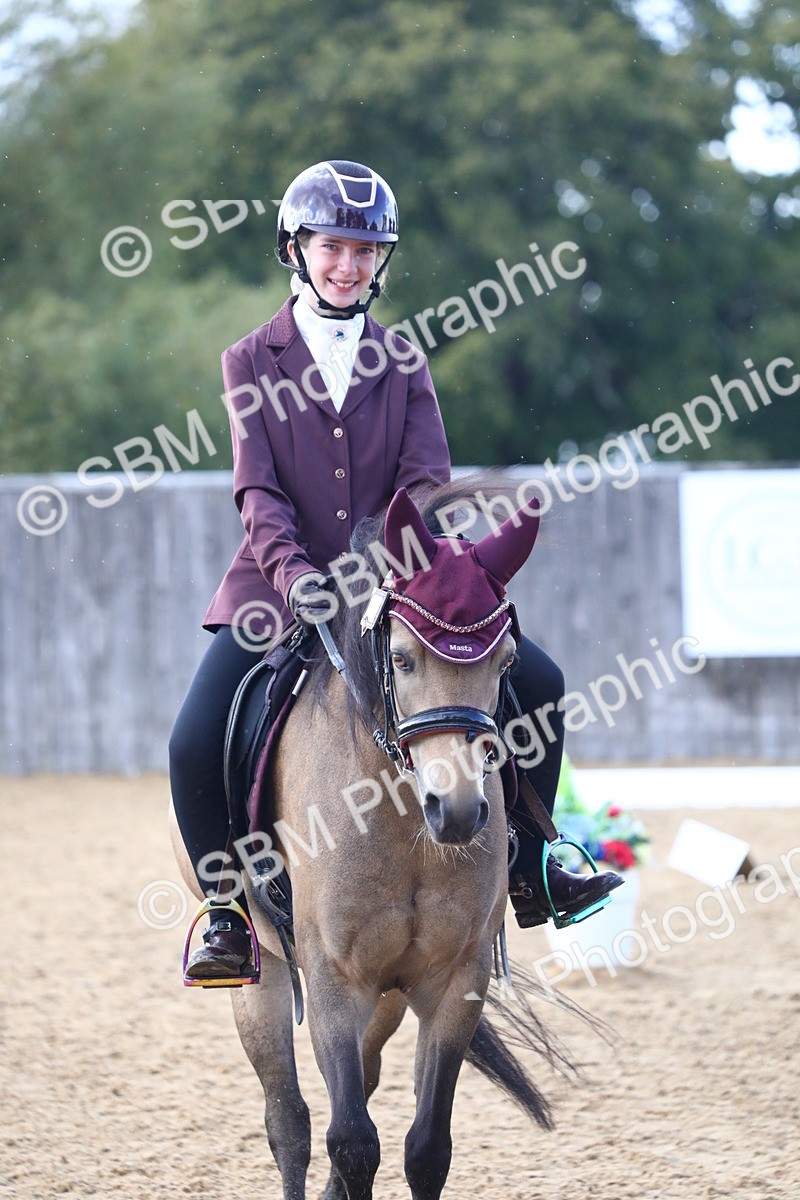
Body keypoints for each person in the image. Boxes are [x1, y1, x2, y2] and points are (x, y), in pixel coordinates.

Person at [169, 159, 622, 982]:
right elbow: (256, 487)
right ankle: (226, 912)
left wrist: (387, 566)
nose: (348, 266)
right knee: (194, 737)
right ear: (296, 250)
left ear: (383, 262)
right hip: (278, 587)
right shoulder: (249, 360)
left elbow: (423, 481)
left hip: (397, 578)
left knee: (543, 682)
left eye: (365, 252)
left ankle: (537, 862)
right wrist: (296, 573)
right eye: (332, 248)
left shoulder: (404, 362)